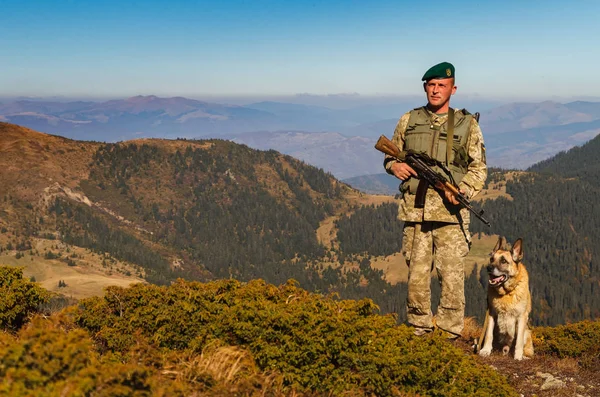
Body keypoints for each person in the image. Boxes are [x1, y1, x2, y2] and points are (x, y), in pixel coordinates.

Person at [383, 61, 487, 339]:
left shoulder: (468, 125)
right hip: (415, 212)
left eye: (442, 85)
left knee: (451, 277)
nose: (435, 90)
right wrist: (394, 166)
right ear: (425, 87)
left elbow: (479, 169)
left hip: (450, 215)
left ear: (454, 89)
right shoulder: (408, 120)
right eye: (431, 85)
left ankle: (450, 334)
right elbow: (391, 154)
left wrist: (461, 190)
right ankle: (419, 330)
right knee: (416, 277)